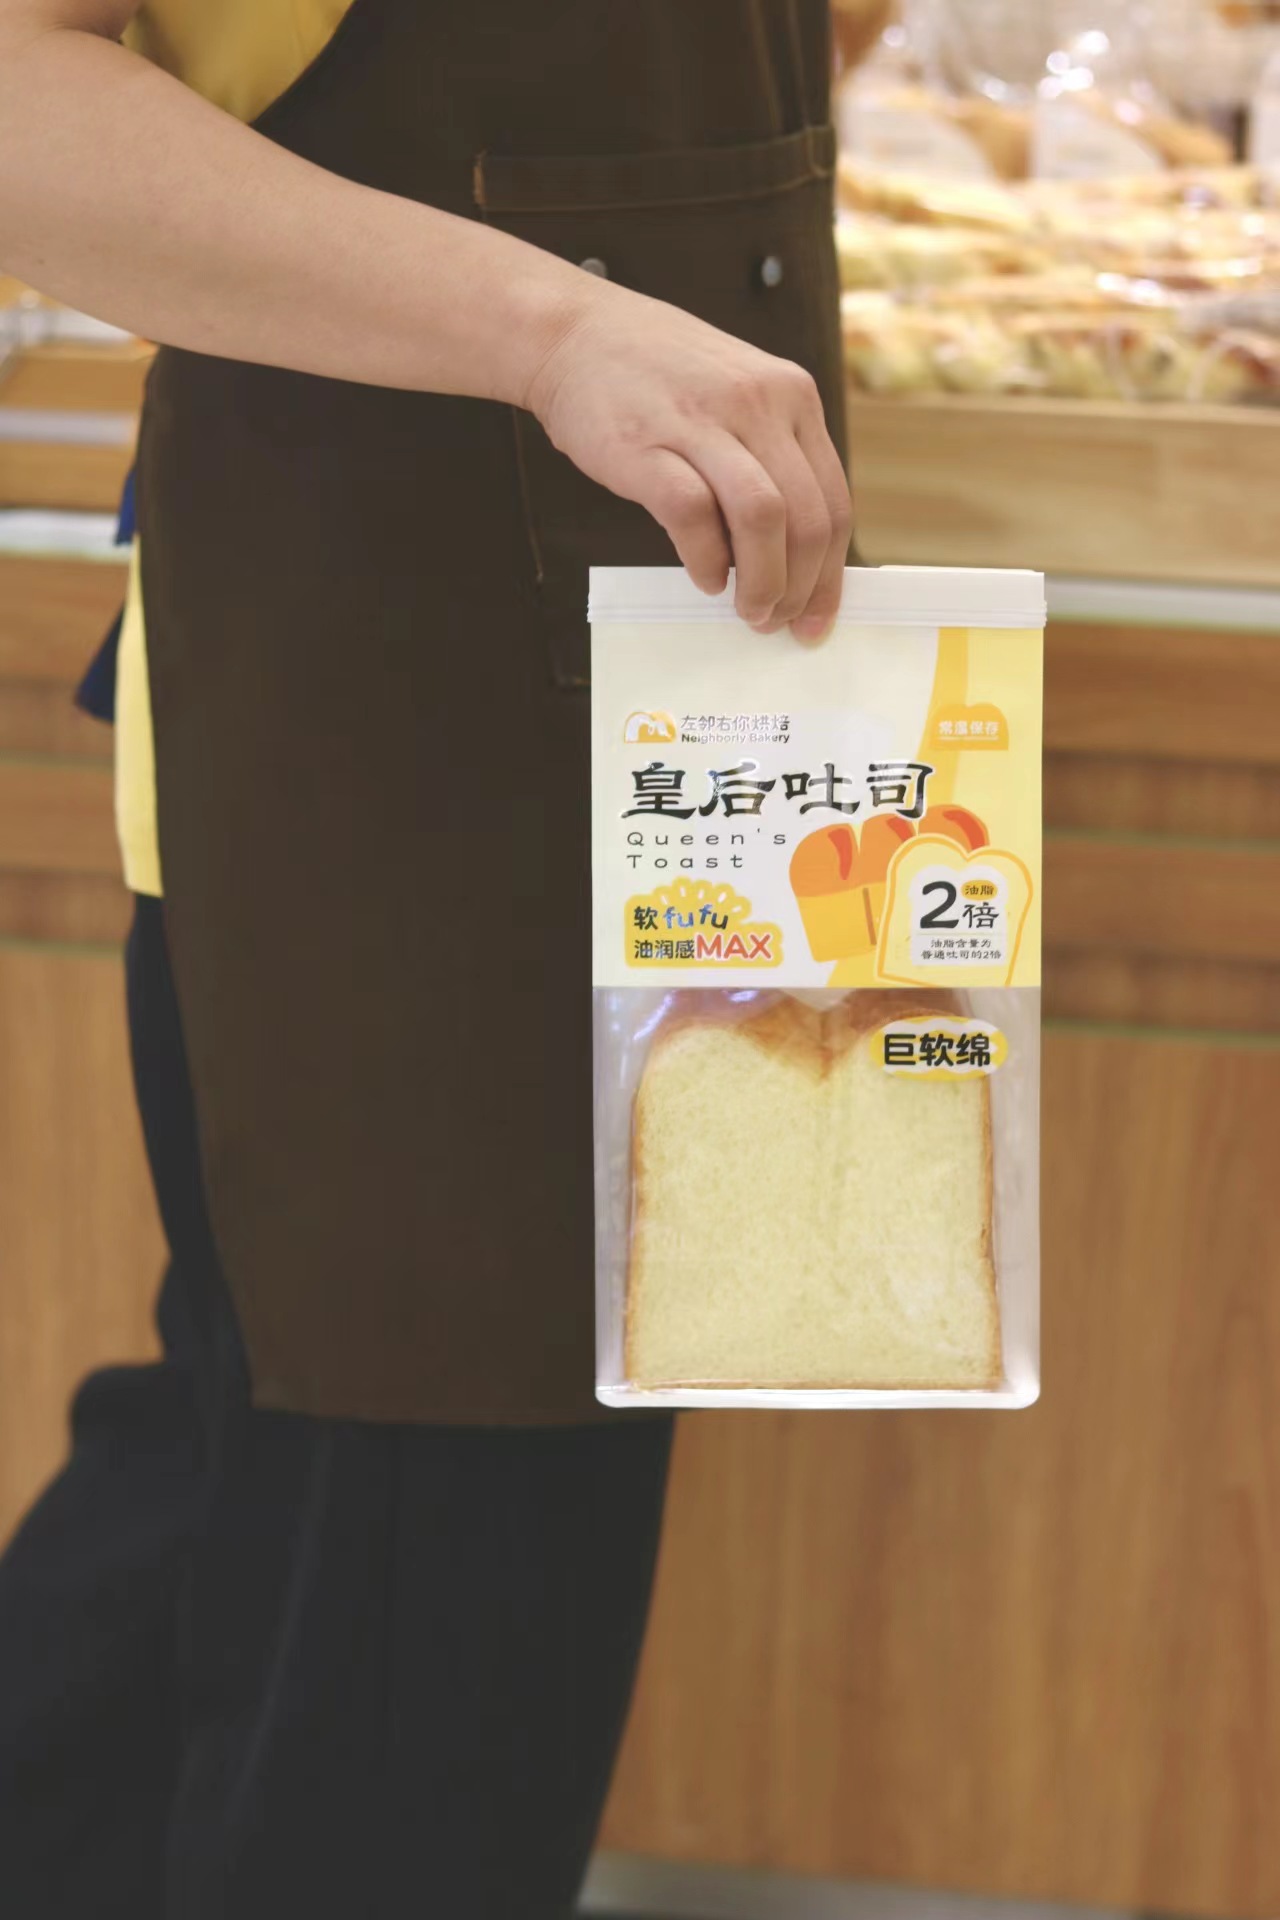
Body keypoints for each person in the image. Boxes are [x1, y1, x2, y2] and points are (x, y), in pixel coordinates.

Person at [0, 2, 851, 1914]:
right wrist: (556, 329)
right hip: (393, 766)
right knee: (415, 1657)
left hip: (652, 716)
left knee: (260, 1520)